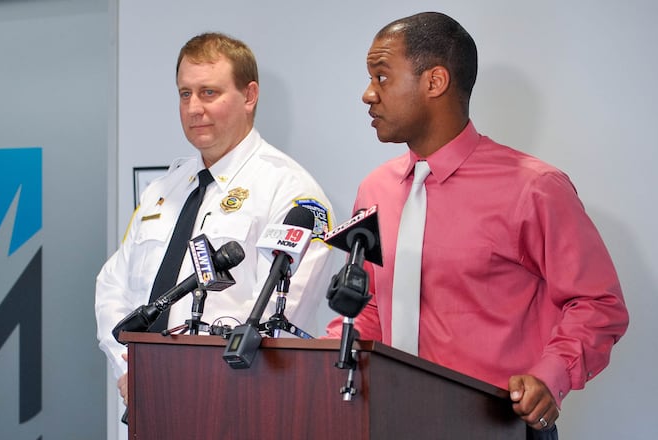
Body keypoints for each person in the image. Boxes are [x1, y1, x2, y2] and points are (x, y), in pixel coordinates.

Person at [325, 12, 628, 439]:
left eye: (382, 76)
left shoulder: (534, 187)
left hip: (495, 427)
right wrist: (324, 361)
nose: (367, 94)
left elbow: (598, 303)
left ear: (434, 82)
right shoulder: (374, 189)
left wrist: (549, 376)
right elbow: (371, 303)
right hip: (390, 421)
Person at [96, 32, 335, 429]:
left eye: (209, 92)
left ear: (249, 95)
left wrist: (184, 378)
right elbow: (112, 285)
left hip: (235, 408)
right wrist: (131, 364)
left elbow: (280, 313)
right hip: (144, 402)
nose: (194, 108)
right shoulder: (164, 189)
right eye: (185, 94)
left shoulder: (291, 191)